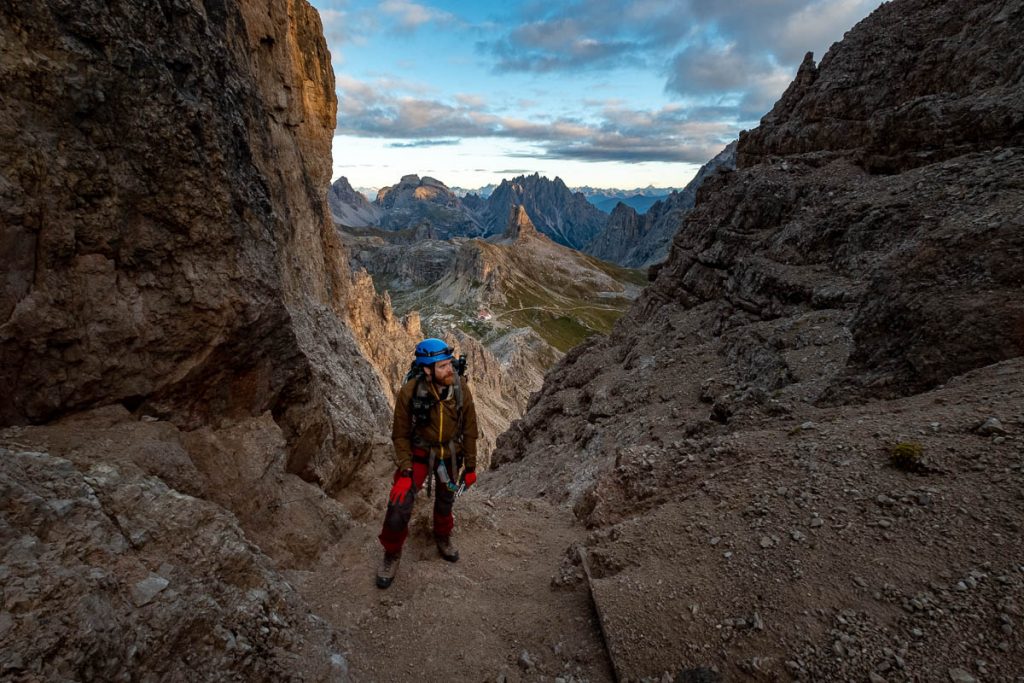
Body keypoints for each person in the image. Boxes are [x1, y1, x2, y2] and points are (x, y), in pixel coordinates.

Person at [376, 338, 479, 589]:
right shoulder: (409, 392)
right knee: (398, 504)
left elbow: (470, 429)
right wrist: (405, 468)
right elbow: (400, 435)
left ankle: (442, 536)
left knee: (446, 500)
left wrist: (472, 467)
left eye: (450, 364)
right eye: (442, 366)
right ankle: (392, 552)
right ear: (427, 370)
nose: (450, 370)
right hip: (420, 453)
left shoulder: (459, 388)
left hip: (451, 454)